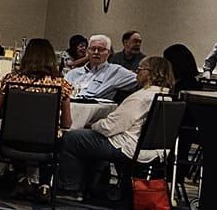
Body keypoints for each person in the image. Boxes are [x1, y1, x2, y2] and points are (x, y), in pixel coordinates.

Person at [57, 55, 175, 199]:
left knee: (72, 137)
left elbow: (110, 128)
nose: (136, 72)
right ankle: (93, 184)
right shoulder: (167, 96)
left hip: (128, 147)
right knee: (89, 138)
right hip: (155, 151)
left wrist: (93, 125)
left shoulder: (141, 97)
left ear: (151, 74)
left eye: (140, 69)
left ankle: (70, 187)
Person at [0, 36, 73, 132]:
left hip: (12, 136)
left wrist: (11, 112)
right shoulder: (61, 85)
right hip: (46, 138)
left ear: (26, 57)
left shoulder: (11, 80)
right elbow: (66, 124)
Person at [66, 35, 136, 103]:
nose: (96, 52)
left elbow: (139, 80)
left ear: (108, 53)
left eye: (101, 49)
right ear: (88, 52)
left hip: (95, 108)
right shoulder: (73, 73)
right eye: (93, 49)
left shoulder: (116, 71)